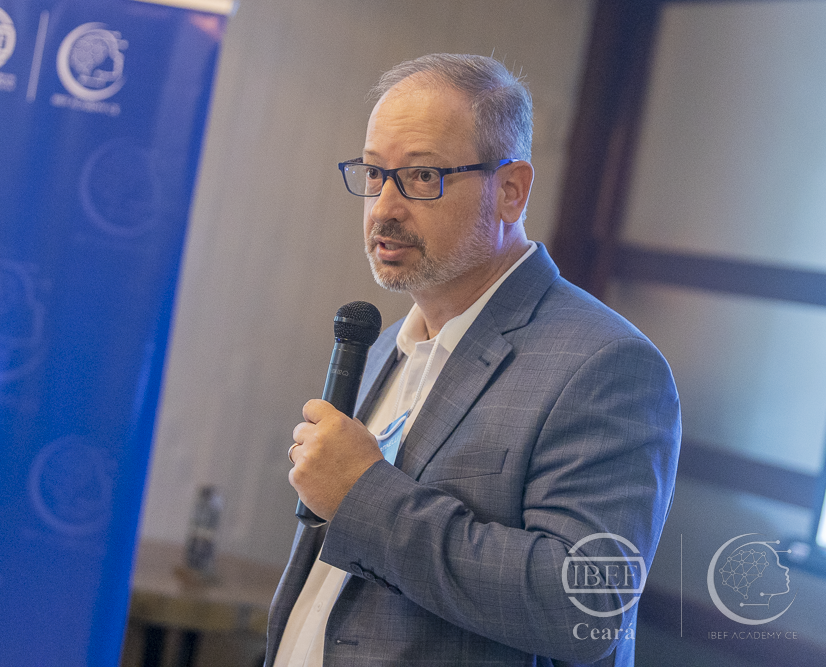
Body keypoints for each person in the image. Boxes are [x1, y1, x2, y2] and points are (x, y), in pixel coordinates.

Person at [267, 53, 680, 667]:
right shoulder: (384, 344)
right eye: (375, 173)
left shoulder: (604, 365)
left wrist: (364, 495)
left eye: (422, 176)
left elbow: (585, 610)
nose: (383, 207)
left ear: (511, 191)